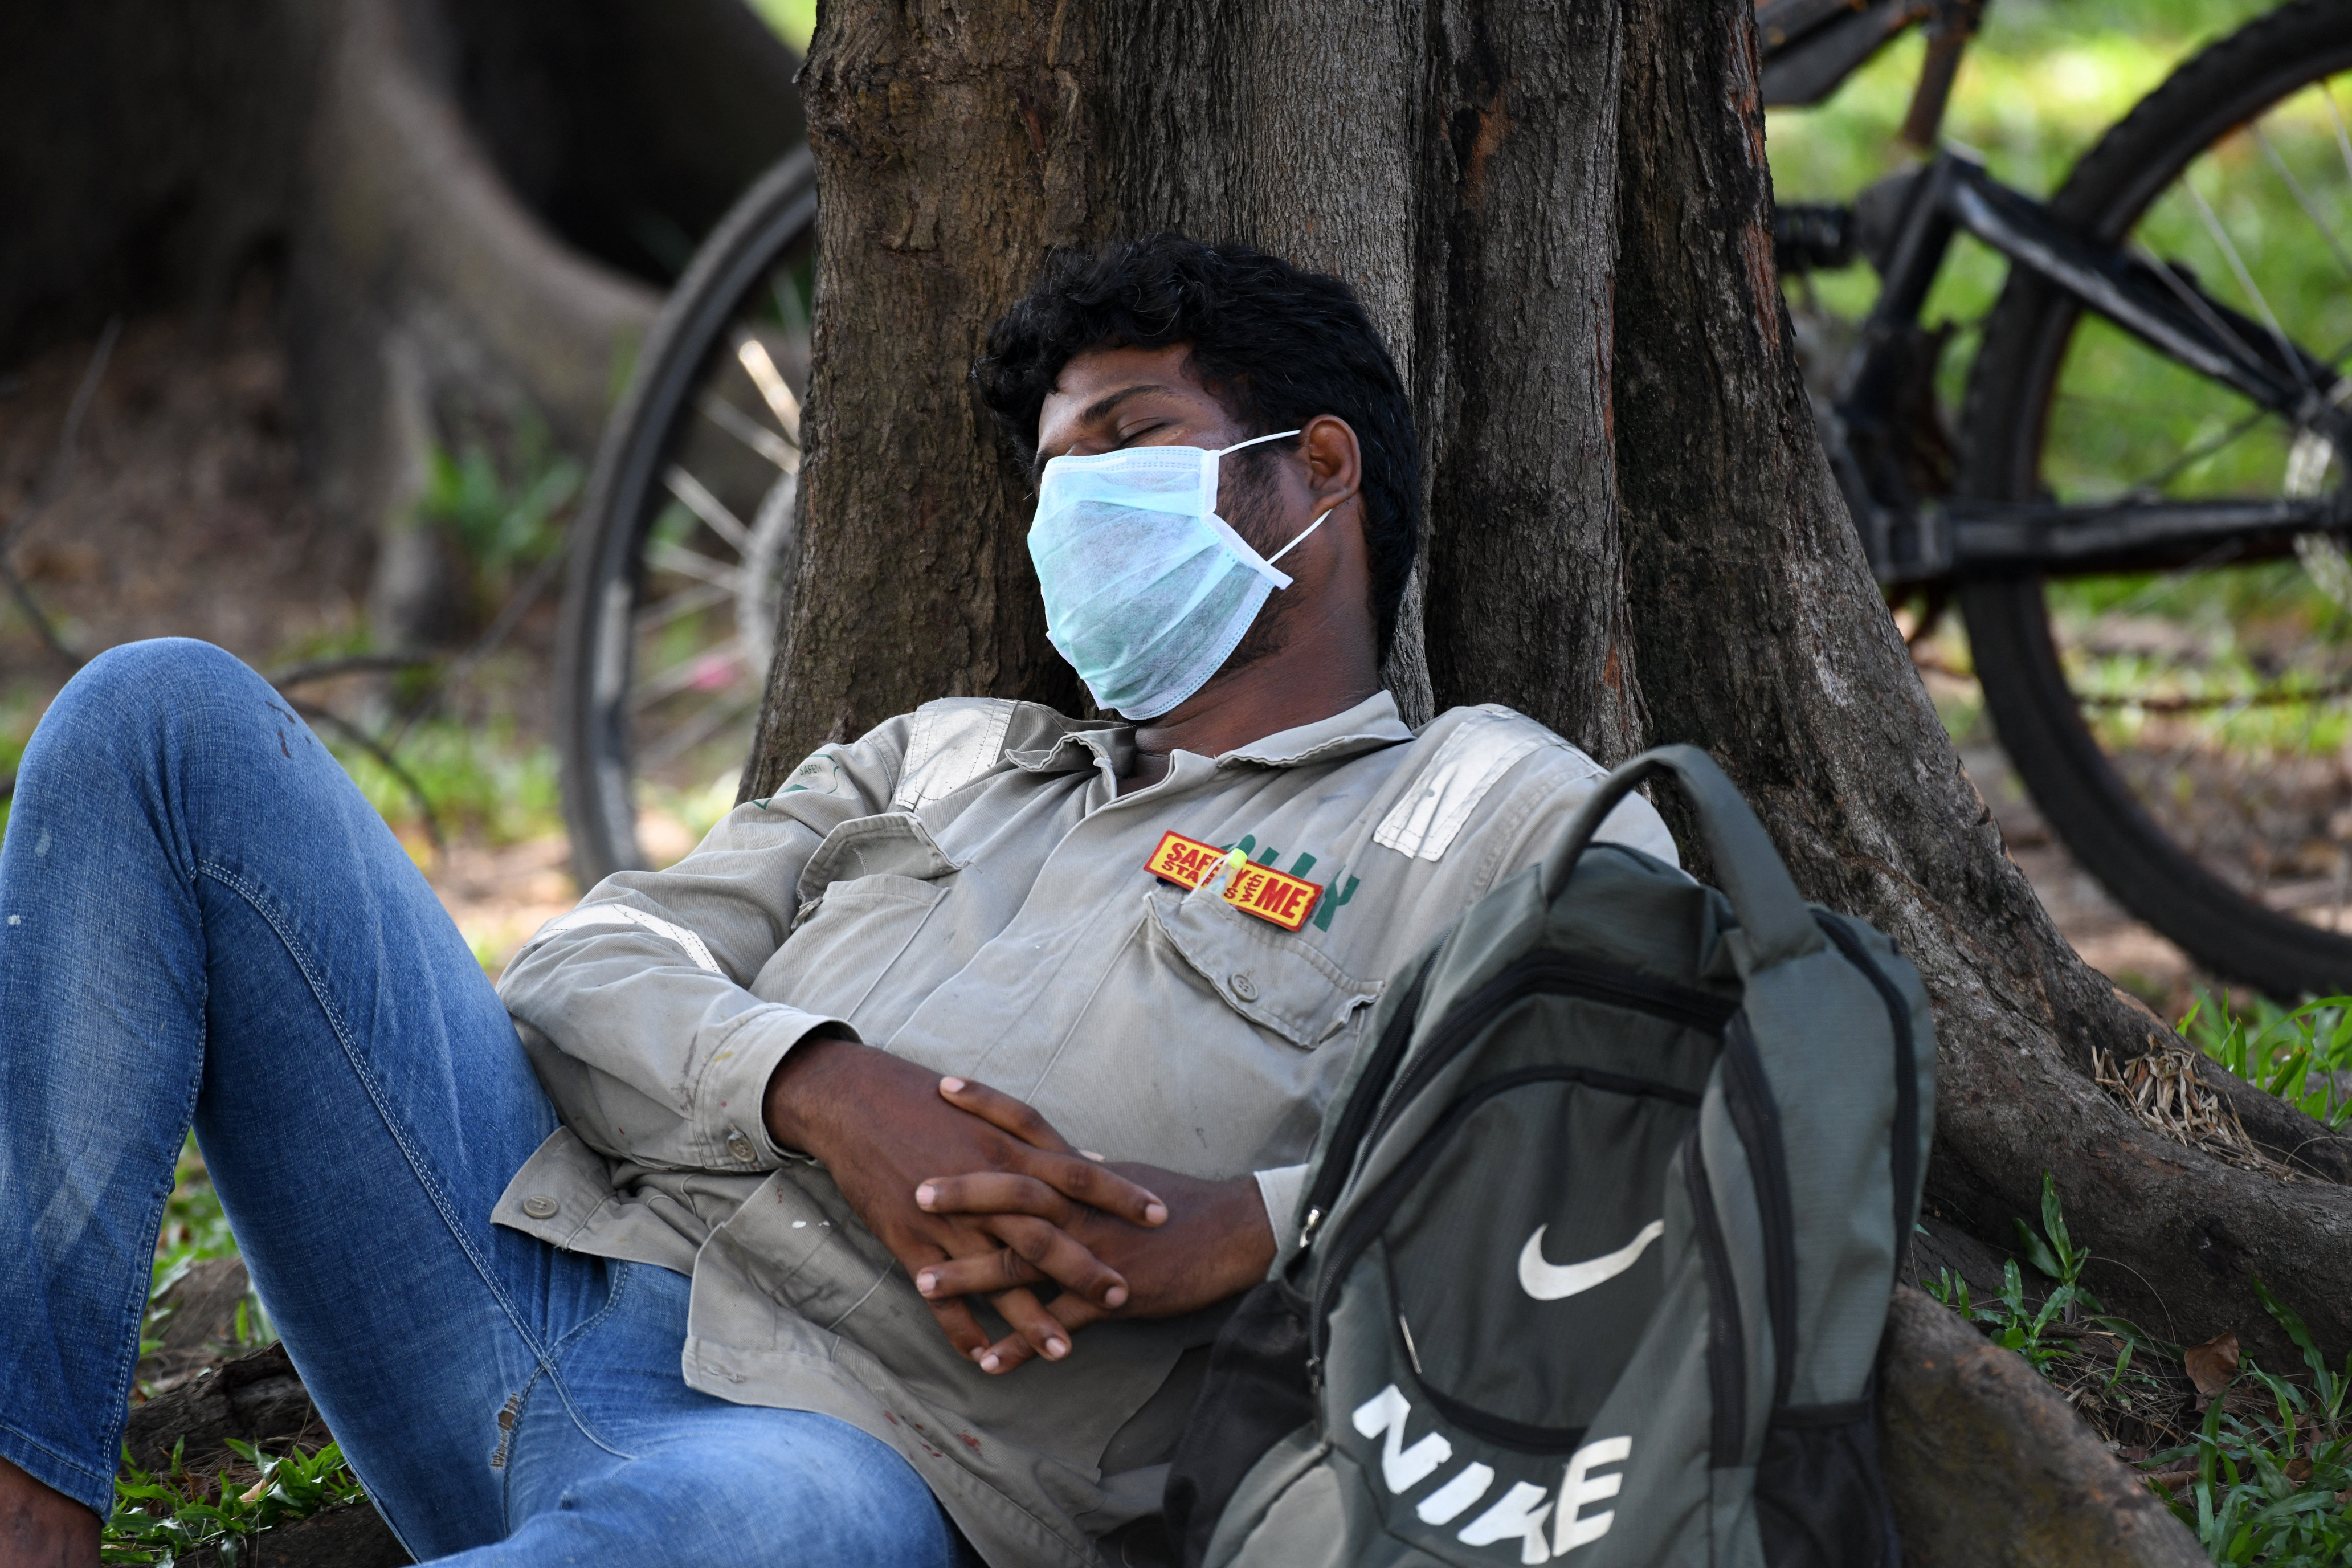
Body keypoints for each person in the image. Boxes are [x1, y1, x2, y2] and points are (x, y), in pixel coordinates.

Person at [0, 235, 1673, 1568]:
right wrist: (821, 1089)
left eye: (1128, 441)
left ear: (1315, 474)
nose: (1070, 509)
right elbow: (587, 958)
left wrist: (1255, 1224)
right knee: (163, 720)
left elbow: (1635, 1117)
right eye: (1050, 474)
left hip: (866, 1460)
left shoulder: (1483, 806)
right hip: (521, 1282)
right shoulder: (944, 755)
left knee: (732, 1530)